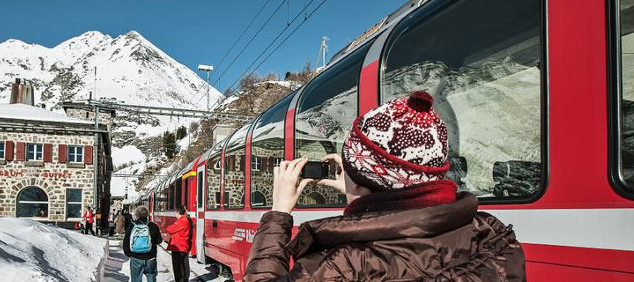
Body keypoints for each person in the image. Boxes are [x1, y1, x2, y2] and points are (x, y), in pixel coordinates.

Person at [243, 91, 525, 282]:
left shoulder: (341, 265)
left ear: (365, 182)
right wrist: (363, 196)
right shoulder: (493, 235)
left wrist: (278, 215)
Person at [123, 206, 162, 282]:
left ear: (137, 215)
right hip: (150, 257)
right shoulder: (152, 225)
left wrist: (129, 254)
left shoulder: (132, 226)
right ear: (147, 214)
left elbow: (126, 241)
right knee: (151, 277)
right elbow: (159, 240)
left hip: (136, 257)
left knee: (136, 279)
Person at [166, 205, 191, 282]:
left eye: (175, 213)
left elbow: (169, 229)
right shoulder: (185, 220)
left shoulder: (182, 221)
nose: (174, 215)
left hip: (178, 247)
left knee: (178, 268)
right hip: (182, 246)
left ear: (178, 212)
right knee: (184, 265)